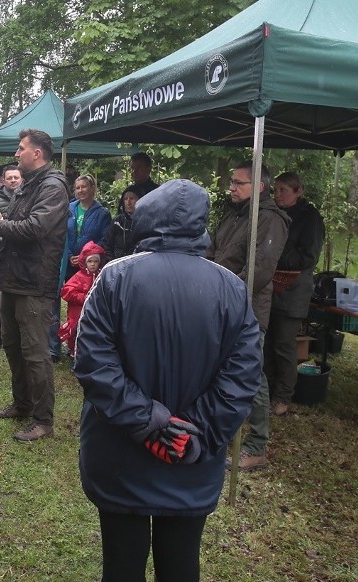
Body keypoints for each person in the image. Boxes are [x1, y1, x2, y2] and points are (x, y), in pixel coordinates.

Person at [73, 179, 260, 582]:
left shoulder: (113, 278)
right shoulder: (232, 288)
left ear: (146, 219)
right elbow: (243, 377)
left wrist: (150, 423)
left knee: (122, 564)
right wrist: (191, 434)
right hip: (190, 459)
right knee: (181, 564)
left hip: (121, 456)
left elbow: (92, 363)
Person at [0, 129, 68, 442]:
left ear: (37, 153)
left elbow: (35, 228)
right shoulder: (27, 184)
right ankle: (21, 404)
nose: (17, 154)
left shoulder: (52, 186)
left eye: (21, 149)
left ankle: (43, 419)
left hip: (35, 283)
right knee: (12, 344)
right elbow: (16, 224)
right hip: (13, 279)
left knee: (35, 353)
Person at [206, 161, 289, 471]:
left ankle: (256, 445)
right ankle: (223, 429)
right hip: (219, 304)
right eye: (232, 182)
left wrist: (224, 291)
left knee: (251, 376)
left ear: (260, 188)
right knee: (220, 370)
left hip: (248, 310)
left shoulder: (269, 220)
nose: (232, 187)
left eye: (240, 183)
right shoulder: (233, 215)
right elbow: (212, 252)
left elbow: (261, 271)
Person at [266, 172, 324, 416]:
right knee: (267, 343)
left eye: (283, 190)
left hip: (294, 291)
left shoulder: (310, 219)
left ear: (299, 191)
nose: (278, 195)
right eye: (276, 190)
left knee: (284, 345)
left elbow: (308, 257)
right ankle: (266, 390)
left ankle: (283, 397)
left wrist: (275, 256)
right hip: (271, 288)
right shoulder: (276, 214)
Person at [51, 174, 111, 361]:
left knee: (85, 303)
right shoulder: (69, 209)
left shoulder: (102, 213)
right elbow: (61, 233)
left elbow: (104, 238)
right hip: (67, 262)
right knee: (58, 298)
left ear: (92, 188)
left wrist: (87, 256)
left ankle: (82, 345)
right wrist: (69, 255)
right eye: (77, 188)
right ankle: (54, 347)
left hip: (90, 264)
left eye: (84, 187)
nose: (80, 191)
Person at [0, 165, 21, 350]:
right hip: (2, 255)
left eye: (16, 177)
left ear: (21, 179)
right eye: (10, 178)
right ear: (4, 180)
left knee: (19, 296)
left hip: (23, 256)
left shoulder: (28, 199)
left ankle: (17, 333)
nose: (13, 180)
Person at [59, 241, 105, 359]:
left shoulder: (102, 276)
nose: (93, 264)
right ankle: (75, 355)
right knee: (76, 333)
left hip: (96, 313)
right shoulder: (79, 276)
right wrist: (84, 298)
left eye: (96, 261)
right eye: (90, 261)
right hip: (78, 312)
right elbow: (66, 291)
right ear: (84, 262)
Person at [102, 187, 140, 260]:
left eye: (132, 198)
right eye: (125, 199)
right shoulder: (117, 221)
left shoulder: (143, 221)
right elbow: (107, 244)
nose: (128, 202)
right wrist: (112, 261)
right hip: (117, 263)